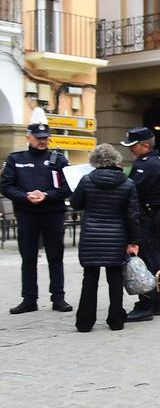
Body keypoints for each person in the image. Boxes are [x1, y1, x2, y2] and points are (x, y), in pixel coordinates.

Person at [1, 123, 72, 314]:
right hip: (27, 214)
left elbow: (67, 187)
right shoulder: (16, 159)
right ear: (28, 137)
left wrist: (46, 195)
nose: (42, 141)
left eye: (44, 137)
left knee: (56, 257)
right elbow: (6, 186)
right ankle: (29, 299)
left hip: (52, 214)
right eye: (38, 137)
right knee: (28, 258)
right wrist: (25, 196)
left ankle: (58, 298)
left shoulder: (58, 160)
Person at [70, 144, 140, 332]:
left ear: (94, 161)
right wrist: (134, 241)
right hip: (117, 237)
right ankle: (116, 319)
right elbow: (133, 215)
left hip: (91, 237)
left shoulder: (86, 180)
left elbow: (75, 203)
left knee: (90, 278)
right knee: (115, 278)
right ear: (116, 160)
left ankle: (84, 322)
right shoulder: (127, 183)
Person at [121, 127, 160, 321]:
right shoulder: (156, 162)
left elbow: (132, 189)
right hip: (153, 215)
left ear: (145, 145)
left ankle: (146, 303)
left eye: (133, 145)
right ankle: (157, 301)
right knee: (154, 259)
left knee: (146, 261)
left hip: (146, 217)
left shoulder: (147, 164)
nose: (131, 149)